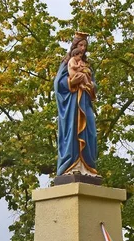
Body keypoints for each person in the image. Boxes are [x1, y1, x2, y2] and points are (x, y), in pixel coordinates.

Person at [55, 33, 99, 178]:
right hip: (72, 103)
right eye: (80, 45)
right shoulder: (67, 62)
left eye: (85, 46)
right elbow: (58, 83)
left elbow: (94, 84)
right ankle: (72, 166)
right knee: (73, 131)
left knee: (90, 133)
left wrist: (91, 86)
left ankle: (88, 167)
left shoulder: (87, 65)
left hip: (85, 101)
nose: (83, 48)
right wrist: (71, 82)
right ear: (75, 46)